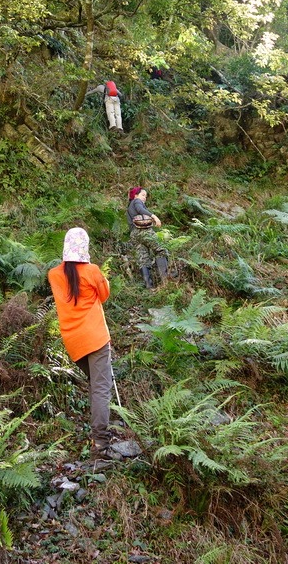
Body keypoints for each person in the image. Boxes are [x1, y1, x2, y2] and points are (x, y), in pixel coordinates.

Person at [48, 227, 114, 455]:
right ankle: (101, 442)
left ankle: (98, 433)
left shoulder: (54, 274)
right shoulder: (93, 270)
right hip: (96, 338)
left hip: (73, 342)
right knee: (101, 388)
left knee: (96, 384)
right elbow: (104, 295)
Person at [126, 187, 169, 289]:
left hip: (134, 234)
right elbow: (140, 209)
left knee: (143, 259)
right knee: (161, 250)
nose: (144, 198)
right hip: (144, 231)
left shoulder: (129, 207)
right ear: (136, 196)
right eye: (143, 195)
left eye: (146, 196)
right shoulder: (137, 201)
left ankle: (149, 287)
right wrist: (154, 216)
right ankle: (166, 281)